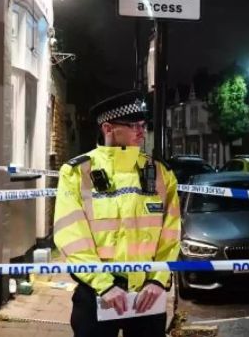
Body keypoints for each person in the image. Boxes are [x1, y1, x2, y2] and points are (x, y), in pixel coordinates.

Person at [53, 90, 181, 337]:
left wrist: (157, 280)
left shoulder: (161, 174)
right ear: (108, 128)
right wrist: (104, 286)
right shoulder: (77, 173)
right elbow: (72, 237)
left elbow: (171, 233)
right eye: (134, 125)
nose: (142, 132)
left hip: (148, 293)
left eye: (144, 125)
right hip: (96, 293)